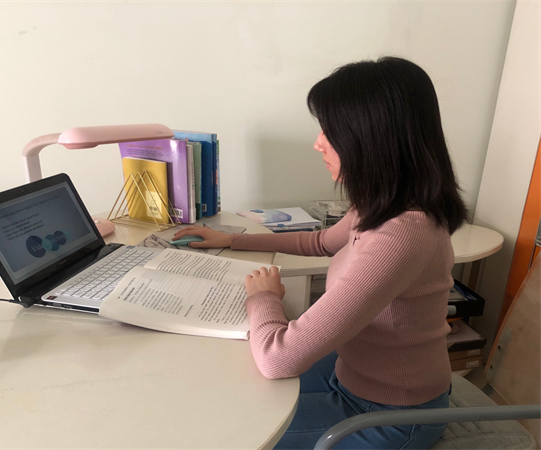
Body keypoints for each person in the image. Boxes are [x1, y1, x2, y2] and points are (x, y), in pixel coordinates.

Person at [172, 56, 468, 449]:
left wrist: (263, 298)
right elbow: (320, 242)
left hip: (391, 415)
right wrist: (230, 240)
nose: (318, 143)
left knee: (226, 434)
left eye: (330, 131)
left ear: (372, 139)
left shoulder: (403, 233)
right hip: (348, 375)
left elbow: (279, 358)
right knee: (222, 389)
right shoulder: (381, 205)